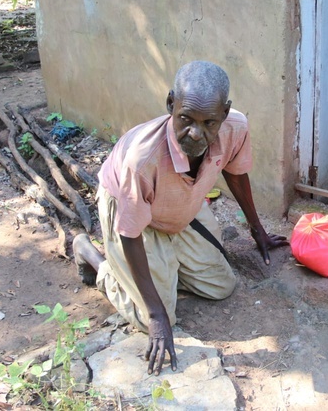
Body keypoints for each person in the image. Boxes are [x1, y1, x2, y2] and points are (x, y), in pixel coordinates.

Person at [73, 60, 288, 376]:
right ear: (170, 104)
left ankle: (164, 265)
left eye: (209, 123)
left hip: (180, 205)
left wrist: (259, 231)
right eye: (185, 118)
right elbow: (130, 234)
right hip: (134, 214)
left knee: (221, 286)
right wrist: (157, 316)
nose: (196, 133)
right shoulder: (142, 160)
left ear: (224, 114)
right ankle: (92, 256)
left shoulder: (236, 127)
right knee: (156, 315)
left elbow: (237, 175)